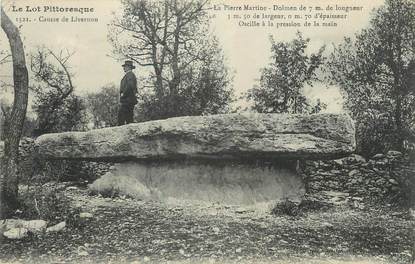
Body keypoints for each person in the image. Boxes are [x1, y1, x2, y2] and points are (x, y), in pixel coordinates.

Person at [117, 60, 138, 125]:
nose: (124, 68)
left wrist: (123, 94)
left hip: (128, 99)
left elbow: (130, 85)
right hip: (128, 99)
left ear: (129, 67)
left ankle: (121, 130)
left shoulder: (130, 74)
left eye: (125, 66)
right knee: (129, 117)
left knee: (121, 115)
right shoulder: (128, 75)